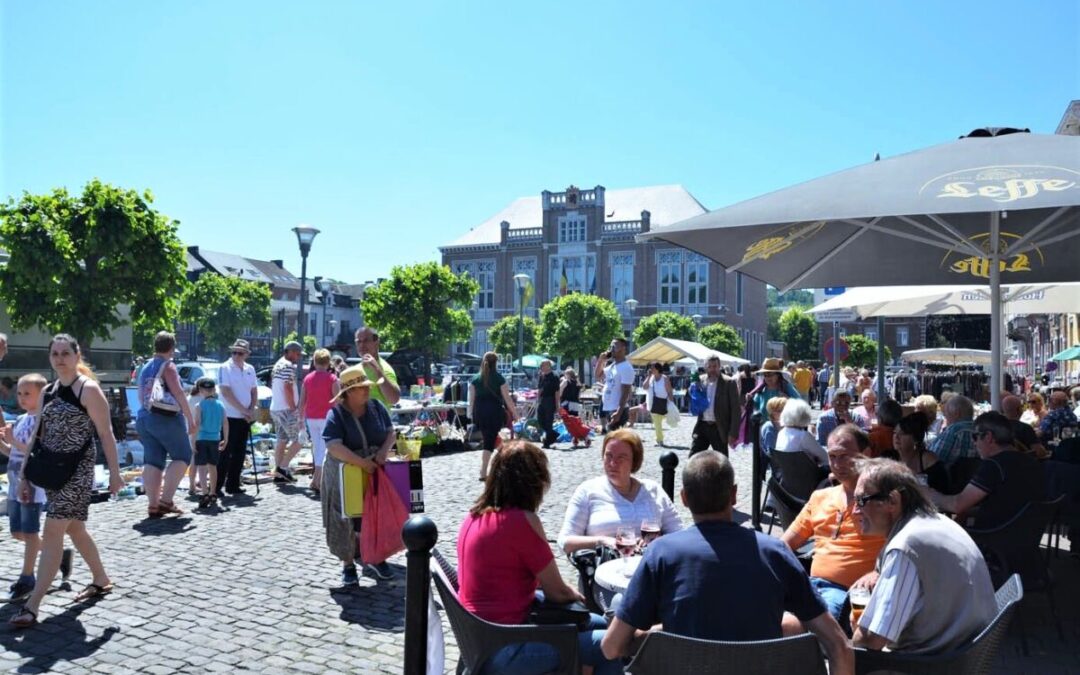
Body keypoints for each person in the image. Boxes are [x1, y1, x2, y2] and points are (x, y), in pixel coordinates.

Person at [600, 450, 853, 674]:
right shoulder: (775, 553)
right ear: (733, 495)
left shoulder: (661, 554)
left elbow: (611, 648)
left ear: (684, 498)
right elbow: (839, 644)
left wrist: (653, 635)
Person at [458, 440, 622, 675]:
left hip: (481, 638)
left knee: (598, 623)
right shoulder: (520, 521)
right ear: (535, 482)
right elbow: (557, 592)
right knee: (609, 643)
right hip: (505, 648)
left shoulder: (472, 517)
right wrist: (578, 597)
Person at [9, 334, 124, 628]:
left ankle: (32, 605)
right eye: (55, 353)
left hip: (77, 471)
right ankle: (101, 578)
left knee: (53, 531)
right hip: (51, 470)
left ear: (77, 355)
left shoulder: (89, 390)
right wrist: (25, 476)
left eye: (65, 353)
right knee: (75, 529)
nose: (60, 358)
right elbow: (38, 436)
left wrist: (114, 472)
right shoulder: (48, 391)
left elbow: (106, 433)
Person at [852, 458, 996, 654]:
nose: (854, 510)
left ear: (892, 501)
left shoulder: (906, 545)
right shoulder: (936, 520)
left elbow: (873, 639)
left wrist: (854, 628)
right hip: (966, 650)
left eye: (861, 500)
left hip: (930, 662)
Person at [781, 425, 885, 633]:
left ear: (866, 455)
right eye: (832, 456)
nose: (837, 464)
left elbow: (904, 543)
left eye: (844, 456)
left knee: (784, 627)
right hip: (810, 586)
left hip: (848, 595)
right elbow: (784, 544)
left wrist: (879, 571)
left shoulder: (881, 500)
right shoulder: (821, 497)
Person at [1, 374, 73, 602]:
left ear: (41, 395)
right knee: (17, 532)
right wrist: (4, 444)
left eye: (27, 394)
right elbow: (13, 453)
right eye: (19, 393)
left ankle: (27, 576)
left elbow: (35, 452)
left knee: (30, 533)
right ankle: (58, 556)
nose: (22, 398)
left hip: (31, 485)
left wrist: (12, 442)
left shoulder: (42, 421)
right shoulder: (22, 419)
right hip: (14, 484)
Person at [321, 366, 396, 584]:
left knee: (374, 514)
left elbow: (390, 432)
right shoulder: (336, 414)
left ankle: (375, 556)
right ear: (349, 392)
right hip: (345, 472)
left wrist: (382, 452)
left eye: (366, 387)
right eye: (361, 388)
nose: (366, 391)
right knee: (344, 516)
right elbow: (334, 446)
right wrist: (362, 463)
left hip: (374, 469)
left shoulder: (376, 407)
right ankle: (348, 563)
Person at [558, 429, 682, 554]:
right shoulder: (588, 491)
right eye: (609, 456)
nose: (613, 463)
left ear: (634, 461)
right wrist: (604, 542)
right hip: (606, 569)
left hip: (652, 569)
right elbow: (565, 541)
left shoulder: (653, 491)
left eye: (621, 458)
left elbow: (679, 534)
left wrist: (658, 541)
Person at [928, 411, 1046, 529]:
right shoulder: (1031, 461)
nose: (974, 442)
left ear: (988, 437)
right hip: (1025, 535)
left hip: (993, 538)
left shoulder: (994, 465)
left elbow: (957, 504)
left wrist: (928, 494)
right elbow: (1008, 506)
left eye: (975, 436)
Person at [137, 331, 196, 517]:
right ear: (171, 347)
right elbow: (178, 393)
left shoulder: (145, 367)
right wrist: (190, 419)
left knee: (153, 460)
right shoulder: (168, 366)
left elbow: (141, 395)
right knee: (183, 456)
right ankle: (166, 500)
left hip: (145, 417)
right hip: (166, 418)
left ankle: (153, 504)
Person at [216, 338, 259, 495]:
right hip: (229, 416)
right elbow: (225, 392)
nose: (236, 355)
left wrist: (251, 408)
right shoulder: (225, 367)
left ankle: (233, 484)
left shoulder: (250, 369)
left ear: (246, 354)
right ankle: (217, 485)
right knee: (225, 452)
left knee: (240, 452)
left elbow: (254, 390)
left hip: (244, 417)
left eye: (240, 353)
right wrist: (244, 410)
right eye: (234, 352)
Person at [469, 352, 518, 481]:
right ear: (496, 363)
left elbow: (471, 401)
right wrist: (515, 413)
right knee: (489, 442)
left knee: (490, 438)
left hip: (480, 413)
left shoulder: (475, 379)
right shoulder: (499, 378)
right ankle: (483, 471)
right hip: (494, 412)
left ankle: (501, 464)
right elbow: (507, 399)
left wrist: (471, 415)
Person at [300, 348, 340, 495]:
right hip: (327, 417)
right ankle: (319, 481)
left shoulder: (308, 378)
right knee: (325, 450)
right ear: (328, 362)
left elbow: (302, 401)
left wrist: (300, 420)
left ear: (314, 361)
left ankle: (316, 480)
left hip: (311, 417)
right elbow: (338, 400)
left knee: (318, 448)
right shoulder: (332, 379)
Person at [690, 356, 741, 456]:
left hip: (719, 428)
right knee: (693, 457)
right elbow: (692, 399)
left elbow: (736, 410)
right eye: (709, 366)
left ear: (719, 366)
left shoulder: (729, 382)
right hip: (702, 426)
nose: (712, 369)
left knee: (721, 460)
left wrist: (733, 433)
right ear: (705, 367)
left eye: (715, 366)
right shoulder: (700, 380)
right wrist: (691, 390)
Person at [189, 378, 228, 509]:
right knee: (213, 467)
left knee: (201, 467)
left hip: (201, 438)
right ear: (214, 390)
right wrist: (226, 438)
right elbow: (225, 423)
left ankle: (204, 492)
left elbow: (198, 424)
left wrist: (193, 441)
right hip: (215, 439)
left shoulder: (199, 406)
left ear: (200, 391)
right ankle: (213, 492)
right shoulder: (220, 405)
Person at [270, 341, 305, 483]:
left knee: (282, 440)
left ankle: (278, 474)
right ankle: (282, 468)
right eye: (297, 354)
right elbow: (288, 387)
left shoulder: (278, 364)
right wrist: (293, 407)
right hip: (286, 409)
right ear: (289, 352)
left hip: (276, 408)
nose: (298, 357)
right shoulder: (288, 366)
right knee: (300, 439)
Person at [893, 414, 949, 494]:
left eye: (903, 433)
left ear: (916, 439)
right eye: (895, 432)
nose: (896, 437)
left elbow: (941, 493)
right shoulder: (889, 456)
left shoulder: (929, 462)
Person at [593, 337, 635, 432]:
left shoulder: (626, 368)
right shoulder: (612, 366)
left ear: (623, 348)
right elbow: (598, 376)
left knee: (615, 440)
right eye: (611, 346)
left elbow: (625, 392)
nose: (611, 348)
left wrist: (618, 413)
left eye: (614, 346)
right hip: (609, 407)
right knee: (613, 439)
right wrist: (600, 360)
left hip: (617, 409)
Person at [353, 327, 400, 408]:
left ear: (376, 342)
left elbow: (394, 399)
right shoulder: (355, 369)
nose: (362, 345)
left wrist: (377, 370)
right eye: (358, 342)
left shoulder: (384, 368)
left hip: (378, 420)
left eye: (366, 340)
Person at [775, 398, 829, 467]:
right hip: (807, 475)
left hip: (786, 475)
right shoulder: (803, 436)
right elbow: (825, 457)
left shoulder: (781, 433)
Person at [928, 394, 976, 466]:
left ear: (957, 414)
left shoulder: (953, 430)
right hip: (975, 475)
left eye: (946, 414)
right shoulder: (979, 429)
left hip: (950, 475)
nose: (945, 417)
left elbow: (933, 459)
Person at [643, 362, 673, 447]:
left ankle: (659, 439)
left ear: (658, 369)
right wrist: (648, 377)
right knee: (657, 422)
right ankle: (659, 439)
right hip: (652, 403)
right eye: (650, 368)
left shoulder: (664, 378)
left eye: (652, 368)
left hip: (662, 402)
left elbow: (669, 390)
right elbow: (644, 387)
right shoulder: (651, 378)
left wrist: (671, 402)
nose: (651, 369)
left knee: (658, 422)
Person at [534, 359, 560, 448]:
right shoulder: (542, 376)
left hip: (550, 400)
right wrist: (538, 399)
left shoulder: (554, 377)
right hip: (542, 399)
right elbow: (540, 388)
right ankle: (553, 434)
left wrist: (557, 405)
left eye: (543, 365)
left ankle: (547, 442)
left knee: (549, 421)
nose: (542, 368)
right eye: (541, 366)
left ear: (549, 366)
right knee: (540, 420)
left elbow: (557, 392)